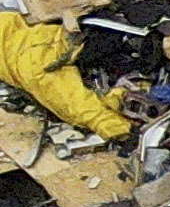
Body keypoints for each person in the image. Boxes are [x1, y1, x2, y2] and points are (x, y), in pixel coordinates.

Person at [0, 9, 131, 139]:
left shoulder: (32, 64)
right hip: (71, 33)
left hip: (51, 47)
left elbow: (81, 107)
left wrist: (117, 131)